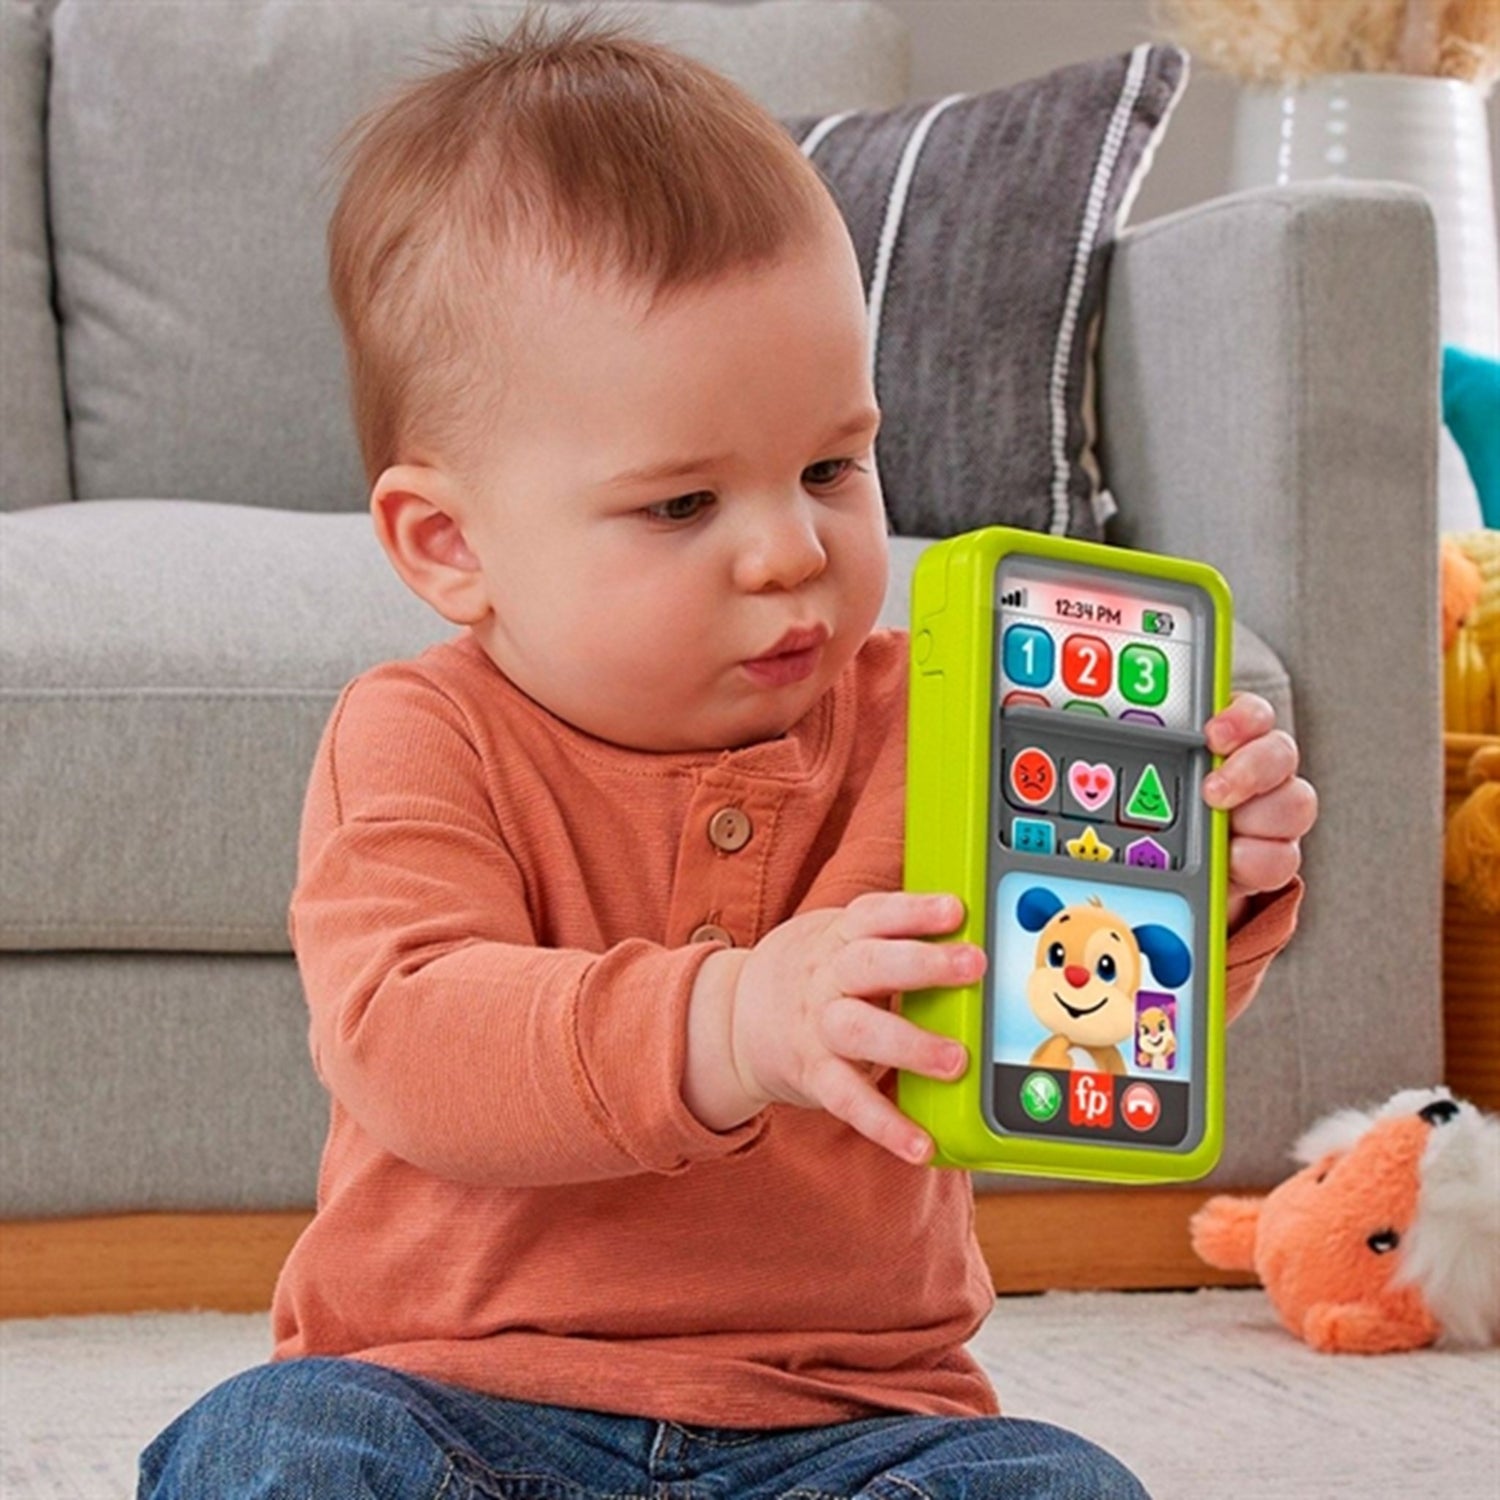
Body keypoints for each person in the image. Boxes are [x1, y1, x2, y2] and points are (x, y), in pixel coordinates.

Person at [139, 10, 1314, 1497]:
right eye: (683, 504)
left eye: (831, 466)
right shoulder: (422, 735)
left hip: (849, 1426)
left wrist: (1207, 889)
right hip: (456, 1402)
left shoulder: (943, 718)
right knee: (271, 1445)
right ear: (449, 545)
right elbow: (412, 1041)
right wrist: (732, 1021)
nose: (789, 551)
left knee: (1054, 1483)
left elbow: (1057, 1003)